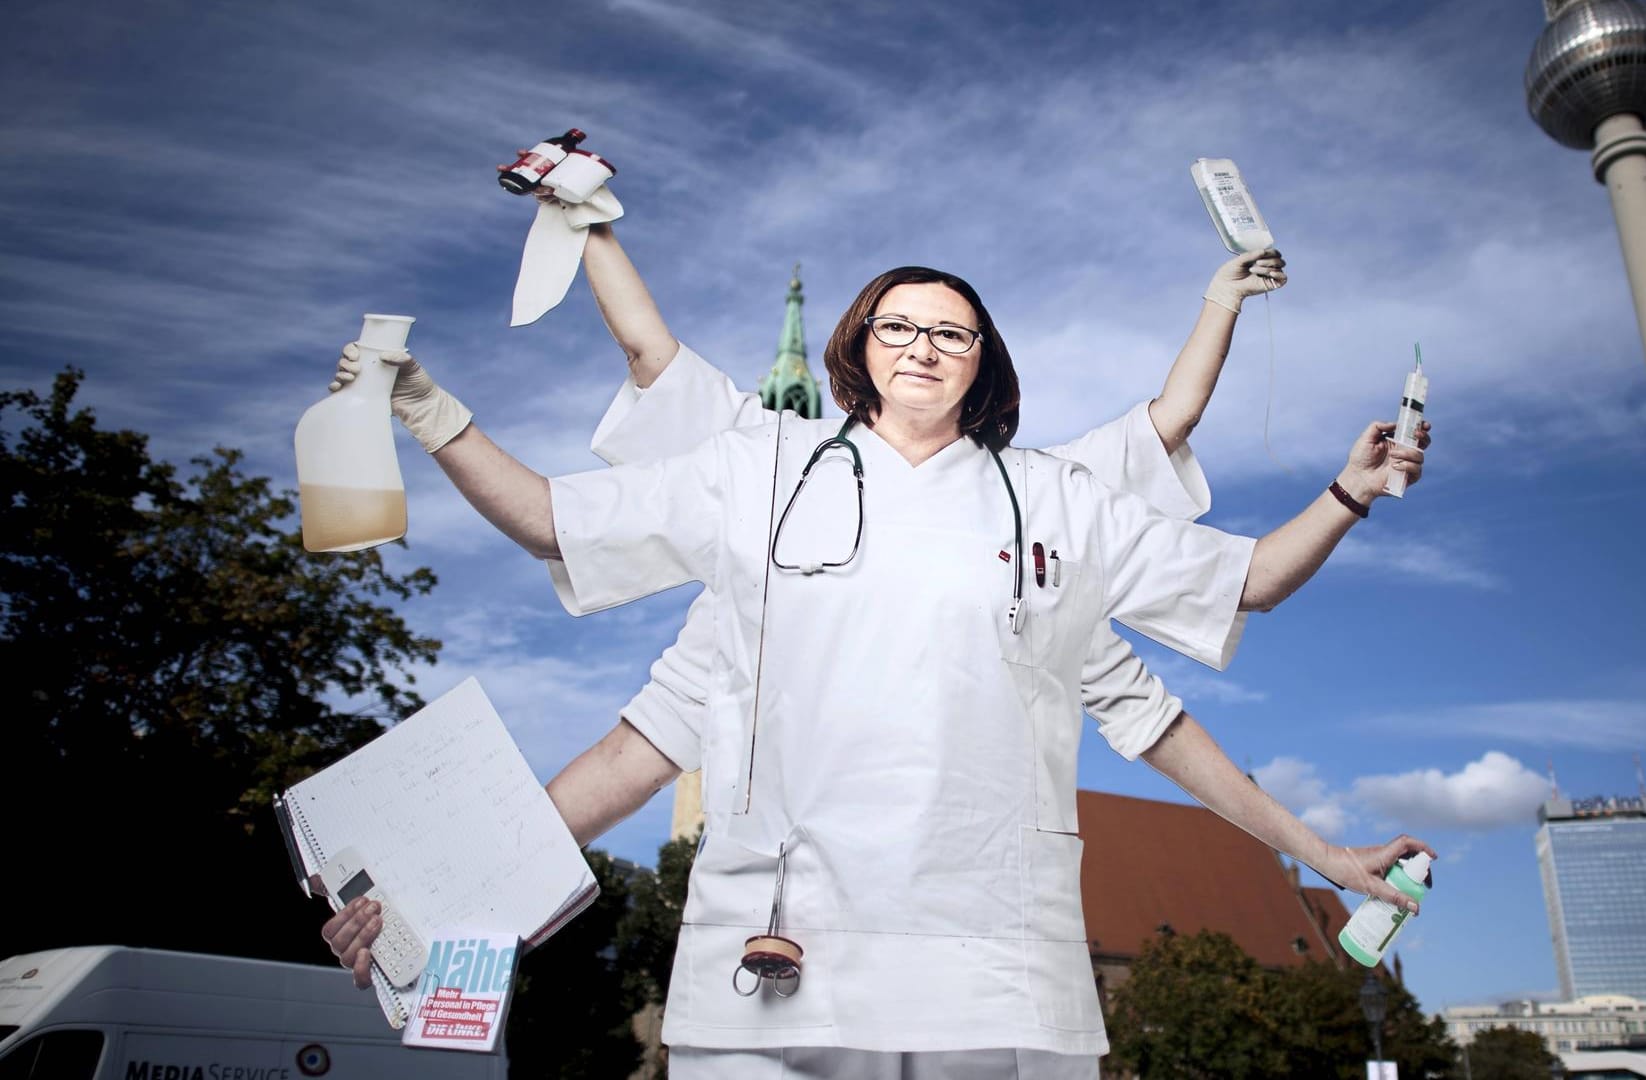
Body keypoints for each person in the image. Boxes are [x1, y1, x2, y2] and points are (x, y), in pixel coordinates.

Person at [323, 249, 1431, 1077]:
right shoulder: (762, 479)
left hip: (988, 977)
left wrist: (1347, 495)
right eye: (898, 326)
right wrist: (430, 409)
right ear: (857, 346)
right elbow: (601, 658)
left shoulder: (1051, 509)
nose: (923, 346)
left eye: (952, 332)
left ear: (983, 362)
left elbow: (1241, 590)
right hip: (775, 974)